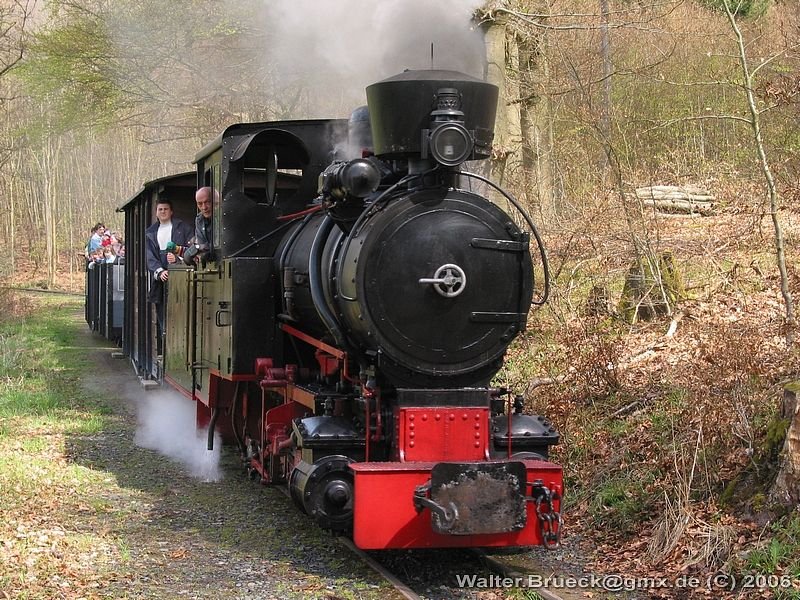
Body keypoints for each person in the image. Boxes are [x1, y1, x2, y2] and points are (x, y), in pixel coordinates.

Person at [145, 199, 193, 352]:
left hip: (183, 279)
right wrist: (160, 271)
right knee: (163, 317)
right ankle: (167, 350)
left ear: (171, 211)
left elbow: (193, 249)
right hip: (161, 281)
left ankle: (182, 349)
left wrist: (179, 258)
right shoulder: (150, 233)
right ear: (156, 212)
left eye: (166, 209)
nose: (163, 212)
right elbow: (149, 256)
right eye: (160, 209)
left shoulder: (184, 228)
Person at [192, 186, 214, 262]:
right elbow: (201, 246)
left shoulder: (224, 217)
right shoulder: (199, 220)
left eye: (207, 202)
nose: (204, 207)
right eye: (200, 204)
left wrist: (203, 247)